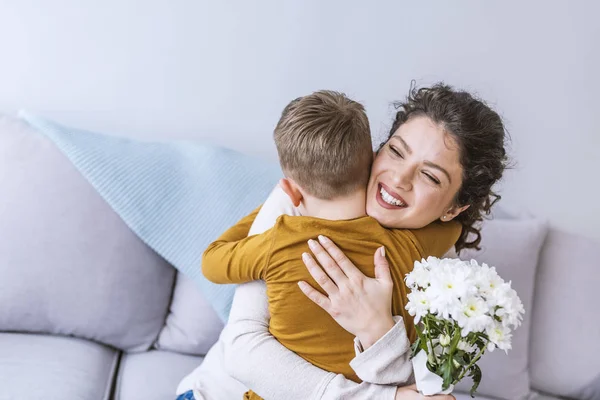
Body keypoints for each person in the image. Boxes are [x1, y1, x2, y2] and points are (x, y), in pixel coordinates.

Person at [177, 83, 508, 400]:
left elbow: (414, 388)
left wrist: (377, 330)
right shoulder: (307, 194)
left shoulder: (448, 282)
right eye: (396, 151)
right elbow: (243, 352)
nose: (398, 178)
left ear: (453, 208)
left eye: (430, 176)